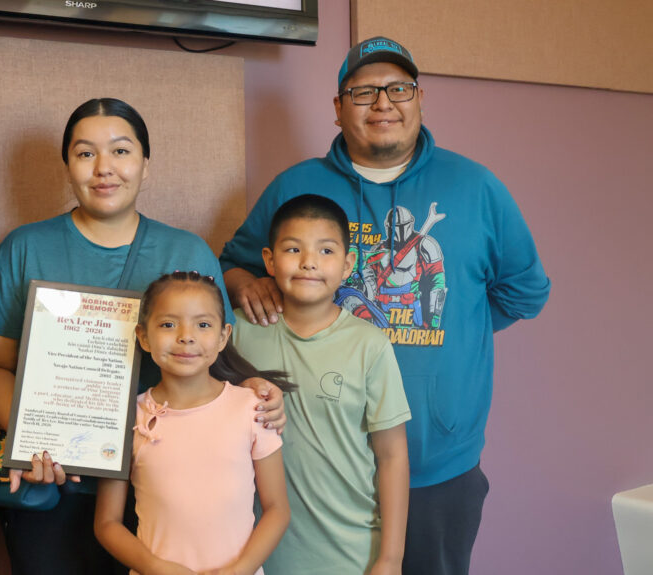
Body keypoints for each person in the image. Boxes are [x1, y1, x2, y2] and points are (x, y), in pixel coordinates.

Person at [219, 37, 551, 575]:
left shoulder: (476, 187)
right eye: (363, 92)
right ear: (337, 107)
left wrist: (451, 326)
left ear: (420, 99)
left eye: (399, 89)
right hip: (311, 468)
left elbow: (525, 291)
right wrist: (243, 285)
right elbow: (233, 265)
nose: (383, 103)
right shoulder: (295, 187)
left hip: (435, 464)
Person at [0, 98, 286, 574]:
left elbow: (214, 358)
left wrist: (258, 390)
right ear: (67, 166)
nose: (104, 168)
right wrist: (38, 437)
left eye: (121, 151)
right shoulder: (25, 248)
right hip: (59, 484)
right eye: (85, 153)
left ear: (145, 164)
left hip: (167, 491)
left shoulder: (186, 251)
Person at [232, 195, 410, 574]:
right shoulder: (235, 331)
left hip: (349, 551)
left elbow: (392, 456)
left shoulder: (370, 345)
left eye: (325, 250)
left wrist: (390, 559)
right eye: (293, 249)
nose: (309, 262)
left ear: (347, 264)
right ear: (269, 261)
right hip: (252, 553)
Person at [94, 271, 291, 575]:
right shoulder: (128, 417)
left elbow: (277, 510)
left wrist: (239, 571)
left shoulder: (251, 408)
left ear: (223, 336)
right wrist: (155, 567)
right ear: (143, 336)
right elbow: (107, 523)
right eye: (168, 324)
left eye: (203, 325)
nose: (186, 336)